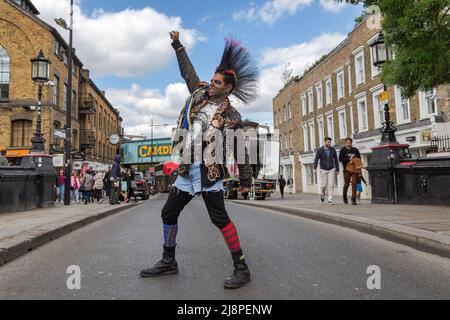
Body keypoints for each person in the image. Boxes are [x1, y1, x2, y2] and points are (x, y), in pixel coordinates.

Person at [139, 31, 258, 289]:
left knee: (220, 218)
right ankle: (169, 260)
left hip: (209, 171)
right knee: (168, 212)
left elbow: (240, 151)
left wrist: (246, 180)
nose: (211, 85)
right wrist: (177, 45)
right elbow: (188, 72)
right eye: (212, 80)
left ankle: (242, 267)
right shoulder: (199, 94)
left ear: (228, 88)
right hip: (186, 168)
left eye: (217, 83)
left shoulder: (232, 116)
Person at [314, 137, 339, 205]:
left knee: (331, 185)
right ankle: (322, 194)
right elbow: (316, 159)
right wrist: (315, 168)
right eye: (328, 142)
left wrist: (337, 169)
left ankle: (330, 199)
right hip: (323, 169)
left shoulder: (332, 149)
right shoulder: (320, 150)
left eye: (330, 142)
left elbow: (336, 160)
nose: (329, 143)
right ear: (325, 142)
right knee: (324, 185)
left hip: (331, 169)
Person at [339, 137, 361, 205]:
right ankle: (344, 196)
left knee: (354, 183)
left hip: (354, 169)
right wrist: (349, 159)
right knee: (347, 184)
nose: (349, 144)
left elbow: (359, 159)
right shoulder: (343, 150)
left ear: (351, 143)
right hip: (346, 170)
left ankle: (353, 199)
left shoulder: (355, 150)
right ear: (345, 143)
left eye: (350, 143)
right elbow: (340, 159)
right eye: (347, 143)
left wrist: (354, 160)